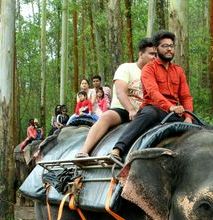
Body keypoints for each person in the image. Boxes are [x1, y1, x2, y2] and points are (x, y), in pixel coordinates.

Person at [109, 30, 193, 160]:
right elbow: (153, 92)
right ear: (156, 48)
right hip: (155, 108)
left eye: (171, 46)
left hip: (174, 114)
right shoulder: (149, 68)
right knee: (148, 114)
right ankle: (118, 149)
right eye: (165, 46)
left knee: (203, 126)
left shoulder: (178, 71)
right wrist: (170, 106)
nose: (169, 49)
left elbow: (186, 96)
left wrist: (188, 117)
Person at [76, 38, 157, 158]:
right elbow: (120, 92)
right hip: (123, 110)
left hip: (144, 113)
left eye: (156, 54)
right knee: (107, 117)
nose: (154, 57)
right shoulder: (126, 68)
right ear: (141, 54)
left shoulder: (154, 74)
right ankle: (84, 151)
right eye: (151, 54)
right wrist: (131, 110)